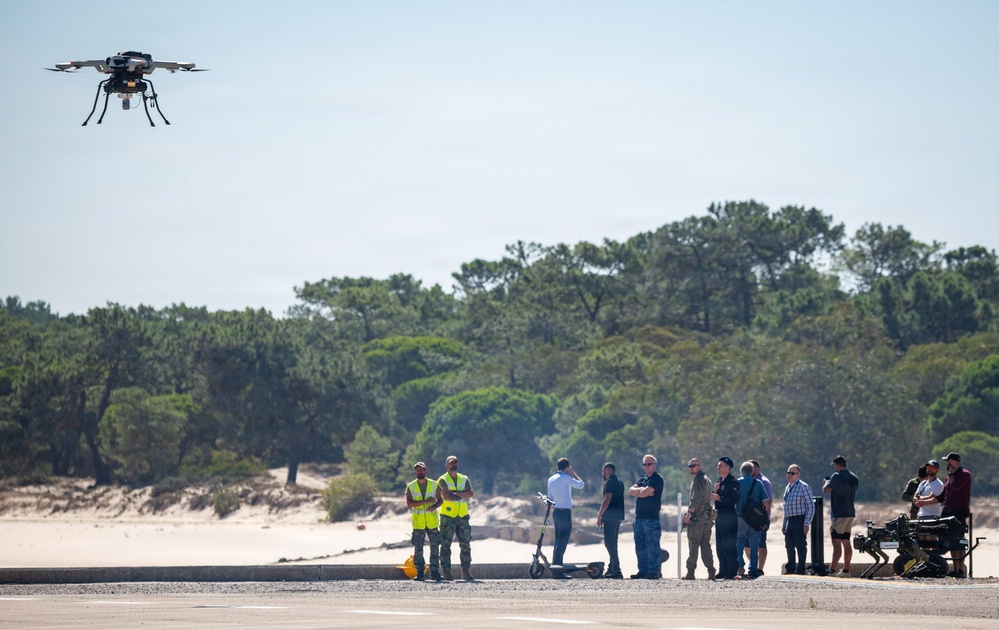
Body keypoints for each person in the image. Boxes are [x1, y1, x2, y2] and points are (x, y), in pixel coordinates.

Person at [923, 452, 972, 577]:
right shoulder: (948, 477)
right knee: (951, 541)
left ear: (954, 461)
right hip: (947, 513)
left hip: (959, 512)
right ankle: (955, 569)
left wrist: (951, 475)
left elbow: (956, 487)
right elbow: (943, 496)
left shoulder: (964, 474)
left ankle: (960, 570)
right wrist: (924, 502)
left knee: (958, 541)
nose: (947, 464)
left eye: (948, 461)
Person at [436, 455, 474, 580]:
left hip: (463, 516)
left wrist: (455, 492)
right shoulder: (442, 479)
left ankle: (466, 572)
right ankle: (446, 571)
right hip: (448, 516)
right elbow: (446, 496)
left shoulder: (464, 478)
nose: (454, 465)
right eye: (451, 463)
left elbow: (470, 493)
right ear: (446, 465)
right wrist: (462, 494)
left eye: (455, 463)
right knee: (445, 545)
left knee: (465, 544)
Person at [546, 457, 585, 576]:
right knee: (563, 541)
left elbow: (549, 498)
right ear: (567, 467)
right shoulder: (566, 478)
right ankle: (558, 570)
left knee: (558, 541)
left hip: (556, 512)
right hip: (564, 513)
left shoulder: (550, 479)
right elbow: (581, 485)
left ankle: (555, 568)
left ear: (557, 467)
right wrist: (573, 472)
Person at [628, 454, 664, 579]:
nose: (647, 466)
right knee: (640, 545)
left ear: (654, 465)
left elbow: (644, 493)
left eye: (649, 464)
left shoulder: (657, 479)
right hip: (639, 517)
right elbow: (631, 491)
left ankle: (654, 571)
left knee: (652, 545)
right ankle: (642, 570)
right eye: (645, 464)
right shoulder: (642, 479)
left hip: (651, 518)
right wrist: (643, 490)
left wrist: (642, 491)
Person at [822, 455, 859, 576]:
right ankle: (846, 570)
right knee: (846, 541)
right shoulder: (854, 478)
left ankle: (832, 569)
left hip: (839, 513)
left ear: (837, 465)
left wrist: (826, 482)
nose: (834, 468)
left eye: (834, 466)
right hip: (850, 513)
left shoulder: (836, 476)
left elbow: (826, 490)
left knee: (836, 542)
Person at [405, 461, 441, 581]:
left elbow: (440, 500)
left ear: (426, 471)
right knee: (418, 549)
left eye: (421, 469)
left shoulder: (434, 484)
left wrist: (434, 506)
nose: (419, 472)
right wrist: (426, 502)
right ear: (415, 472)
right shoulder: (411, 486)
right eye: (417, 470)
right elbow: (409, 503)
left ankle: (435, 573)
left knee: (435, 548)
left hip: (432, 522)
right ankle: (420, 573)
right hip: (418, 523)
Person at [736, 461, 771, 579]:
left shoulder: (737, 483)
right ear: (752, 472)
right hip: (755, 519)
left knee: (739, 542)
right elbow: (766, 502)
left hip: (740, 517)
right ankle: (753, 569)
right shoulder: (758, 483)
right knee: (754, 544)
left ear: (741, 472)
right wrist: (765, 518)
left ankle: (740, 565)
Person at [682, 458, 716, 580]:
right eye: (689, 466)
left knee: (693, 544)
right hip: (707, 517)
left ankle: (690, 572)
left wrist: (690, 513)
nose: (691, 468)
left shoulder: (699, 479)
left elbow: (696, 498)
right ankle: (711, 571)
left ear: (699, 466)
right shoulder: (706, 479)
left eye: (693, 466)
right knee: (705, 544)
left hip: (698, 517)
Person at [781, 463, 814, 575]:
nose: (789, 475)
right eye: (788, 473)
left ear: (798, 475)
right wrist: (784, 523)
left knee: (800, 545)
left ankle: (801, 569)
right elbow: (786, 507)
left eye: (792, 473)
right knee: (789, 545)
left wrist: (806, 523)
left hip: (800, 519)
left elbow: (810, 506)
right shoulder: (787, 487)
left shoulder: (804, 487)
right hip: (789, 520)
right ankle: (790, 568)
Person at [711, 456, 740, 579]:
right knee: (720, 544)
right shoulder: (719, 481)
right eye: (718, 465)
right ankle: (722, 570)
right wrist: (715, 491)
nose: (718, 467)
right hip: (720, 516)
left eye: (720, 465)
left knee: (729, 544)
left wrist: (720, 498)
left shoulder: (733, 482)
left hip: (729, 516)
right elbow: (715, 498)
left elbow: (735, 499)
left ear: (728, 468)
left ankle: (731, 571)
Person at [743, 459, 773, 574]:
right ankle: (753, 565)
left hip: (761, 519)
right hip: (749, 519)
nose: (751, 470)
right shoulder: (749, 481)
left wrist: (764, 518)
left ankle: (760, 568)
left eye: (753, 468)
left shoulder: (764, 481)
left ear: (757, 468)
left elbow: (768, 501)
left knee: (761, 544)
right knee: (746, 545)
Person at [596, 462, 625, 579]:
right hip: (618, 516)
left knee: (609, 543)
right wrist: (604, 483)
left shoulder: (611, 482)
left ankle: (616, 570)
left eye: (603, 471)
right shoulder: (619, 482)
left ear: (608, 470)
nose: (602, 473)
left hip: (610, 516)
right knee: (613, 543)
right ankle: (611, 567)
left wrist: (599, 515)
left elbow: (607, 499)